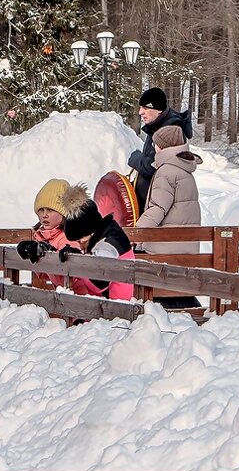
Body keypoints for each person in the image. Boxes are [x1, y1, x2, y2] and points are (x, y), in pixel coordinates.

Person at [137, 124, 204, 309]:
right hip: (185, 245)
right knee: (176, 290)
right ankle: (189, 310)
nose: (154, 147)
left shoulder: (166, 172)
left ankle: (151, 312)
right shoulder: (183, 169)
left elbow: (157, 209)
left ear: (163, 147)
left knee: (136, 266)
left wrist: (136, 233)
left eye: (156, 144)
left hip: (166, 246)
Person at [57, 181, 136, 301]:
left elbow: (99, 284)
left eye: (81, 241)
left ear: (90, 232)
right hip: (109, 305)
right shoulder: (106, 236)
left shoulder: (107, 245)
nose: (81, 246)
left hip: (117, 307)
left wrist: (79, 261)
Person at [128, 87, 192, 212]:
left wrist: (135, 158)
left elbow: (152, 166)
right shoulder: (155, 125)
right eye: (140, 107)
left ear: (158, 110)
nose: (140, 112)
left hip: (159, 208)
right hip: (150, 203)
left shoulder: (170, 131)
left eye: (145, 108)